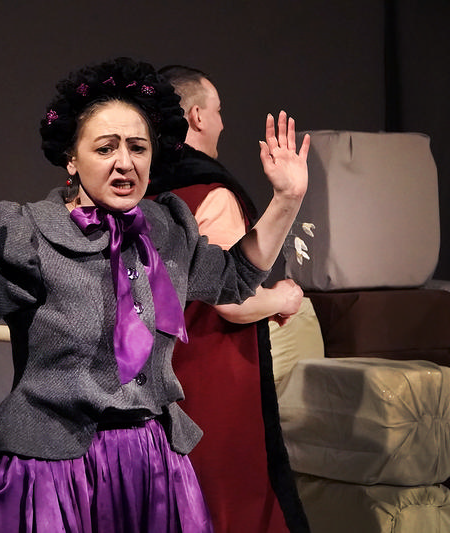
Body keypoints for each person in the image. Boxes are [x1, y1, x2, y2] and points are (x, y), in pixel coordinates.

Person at [0, 57, 309, 533]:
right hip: (50, 470)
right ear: (72, 158)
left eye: (138, 147)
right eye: (105, 147)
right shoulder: (29, 233)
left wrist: (286, 200)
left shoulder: (166, 228)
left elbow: (235, 279)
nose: (125, 162)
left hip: (150, 466)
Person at [146, 65, 309, 533]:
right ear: (196, 116)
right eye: (218, 111)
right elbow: (231, 298)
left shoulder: (144, 190)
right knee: (228, 502)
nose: (222, 123)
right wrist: (282, 297)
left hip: (160, 372)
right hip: (212, 370)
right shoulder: (208, 192)